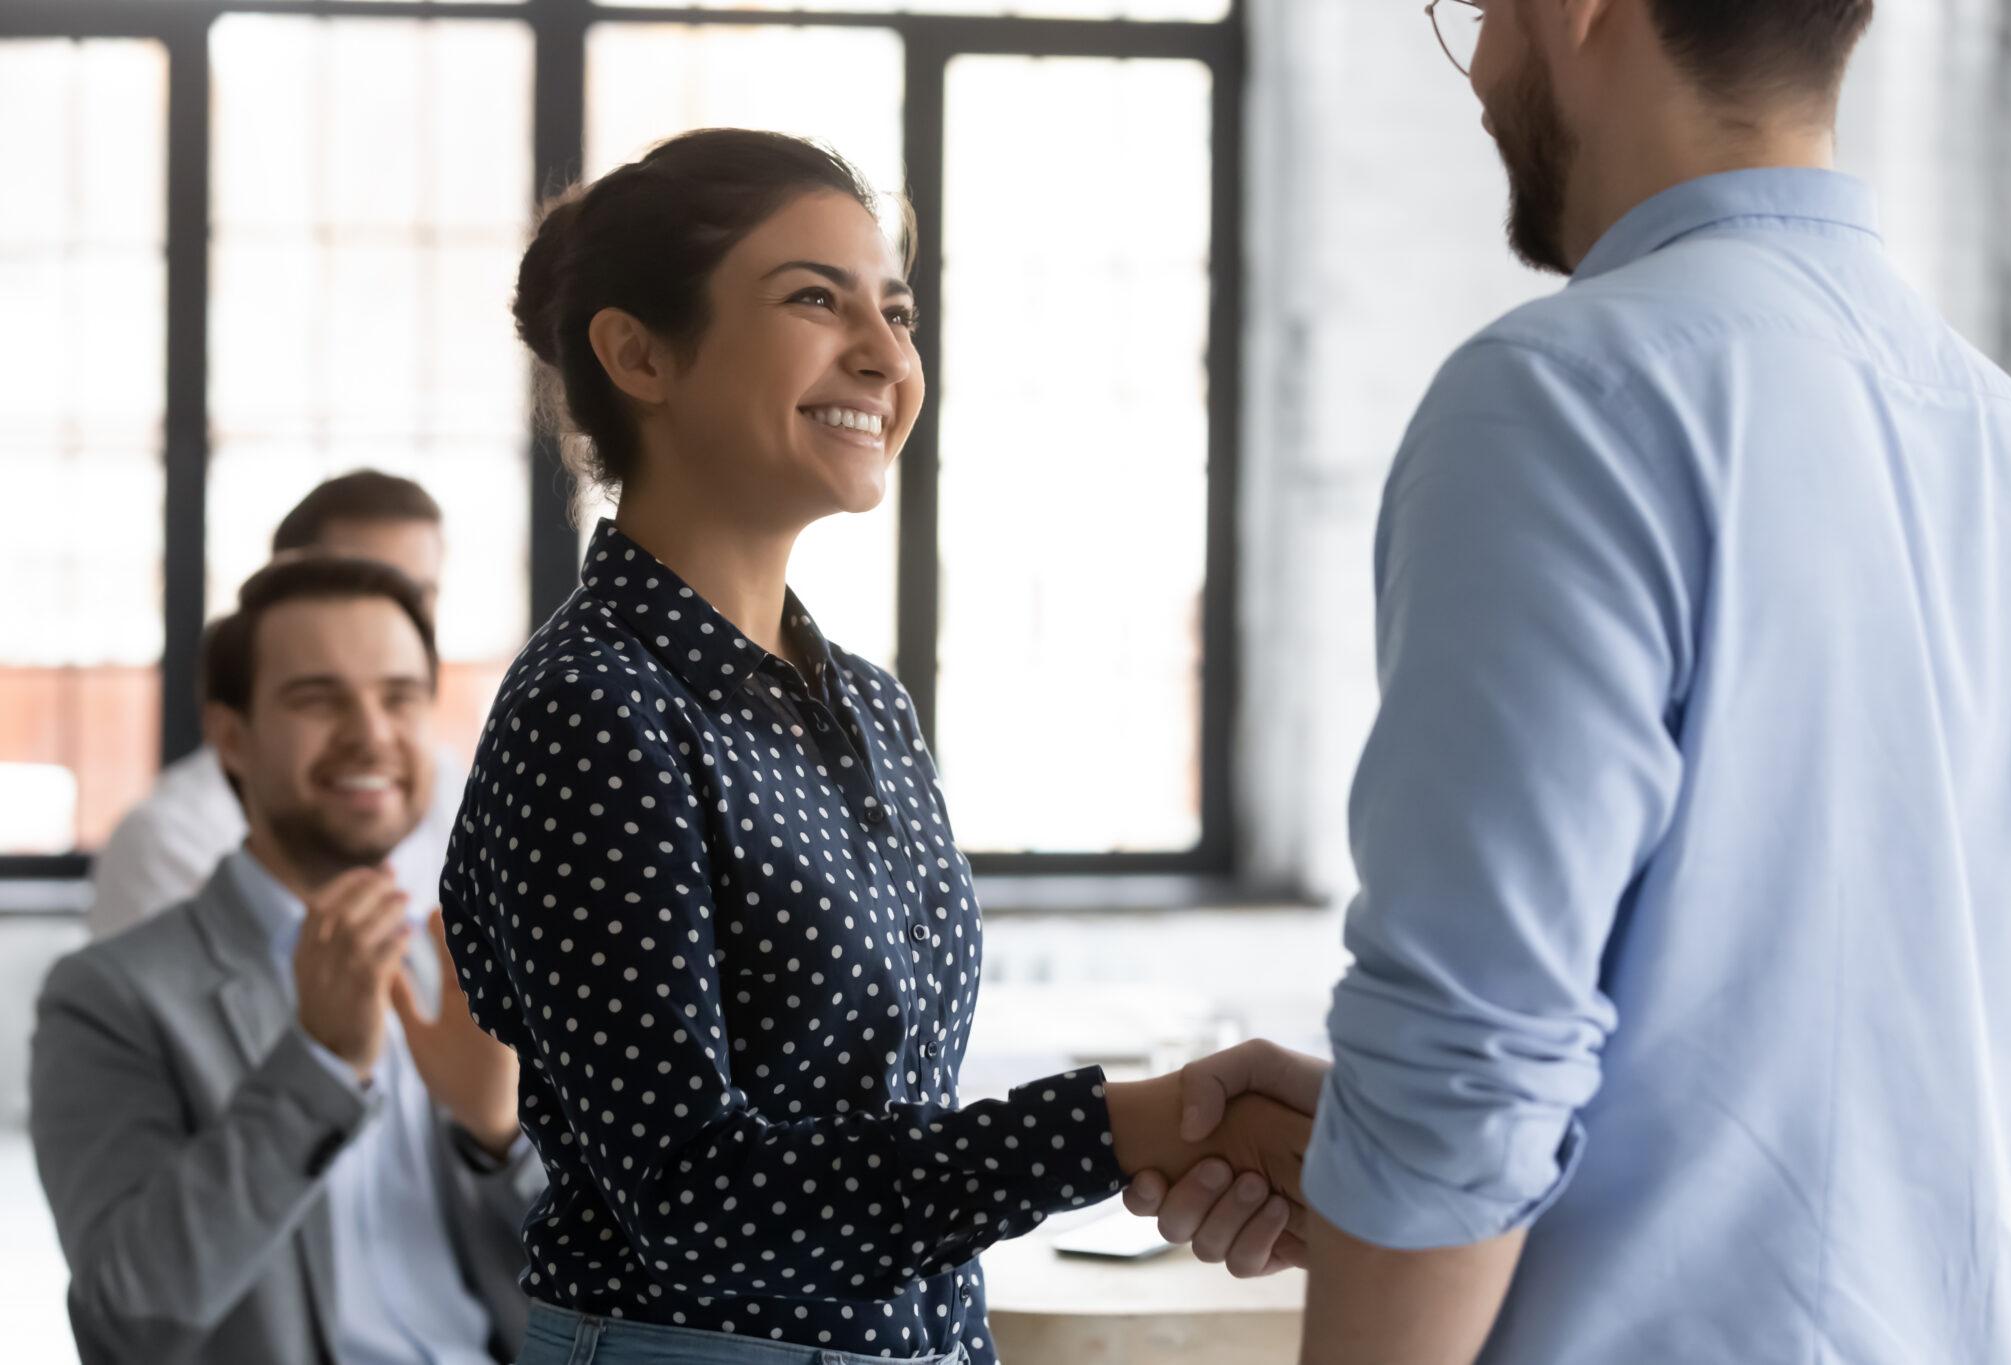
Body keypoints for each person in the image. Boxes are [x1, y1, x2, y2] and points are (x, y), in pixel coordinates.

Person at [1124, 0, 2011, 1360]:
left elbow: (1468, 1068)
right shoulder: (2009, 440)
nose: (1484, 73)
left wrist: (1410, 1167)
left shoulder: (1566, 396)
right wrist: (1377, 1143)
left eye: (1480, 14)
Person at [437, 128, 1308, 1365]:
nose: (885, 355)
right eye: (813, 299)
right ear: (639, 353)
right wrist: (1123, 1129)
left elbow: (883, 1134)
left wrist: (1179, 1139)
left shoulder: (865, 705)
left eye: (895, 312)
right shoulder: (596, 711)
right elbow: (697, 1199)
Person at [32, 557, 542, 1365]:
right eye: (318, 698)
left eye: (400, 697)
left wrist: (500, 1138)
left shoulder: (473, 967)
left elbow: (612, 1282)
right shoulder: (110, 996)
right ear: (232, 738)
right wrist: (319, 1066)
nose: (372, 732)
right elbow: (125, 1319)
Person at [89, 469, 465, 940]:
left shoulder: (457, 796)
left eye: (420, 594)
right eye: (355, 582)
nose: (388, 614)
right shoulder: (168, 839)